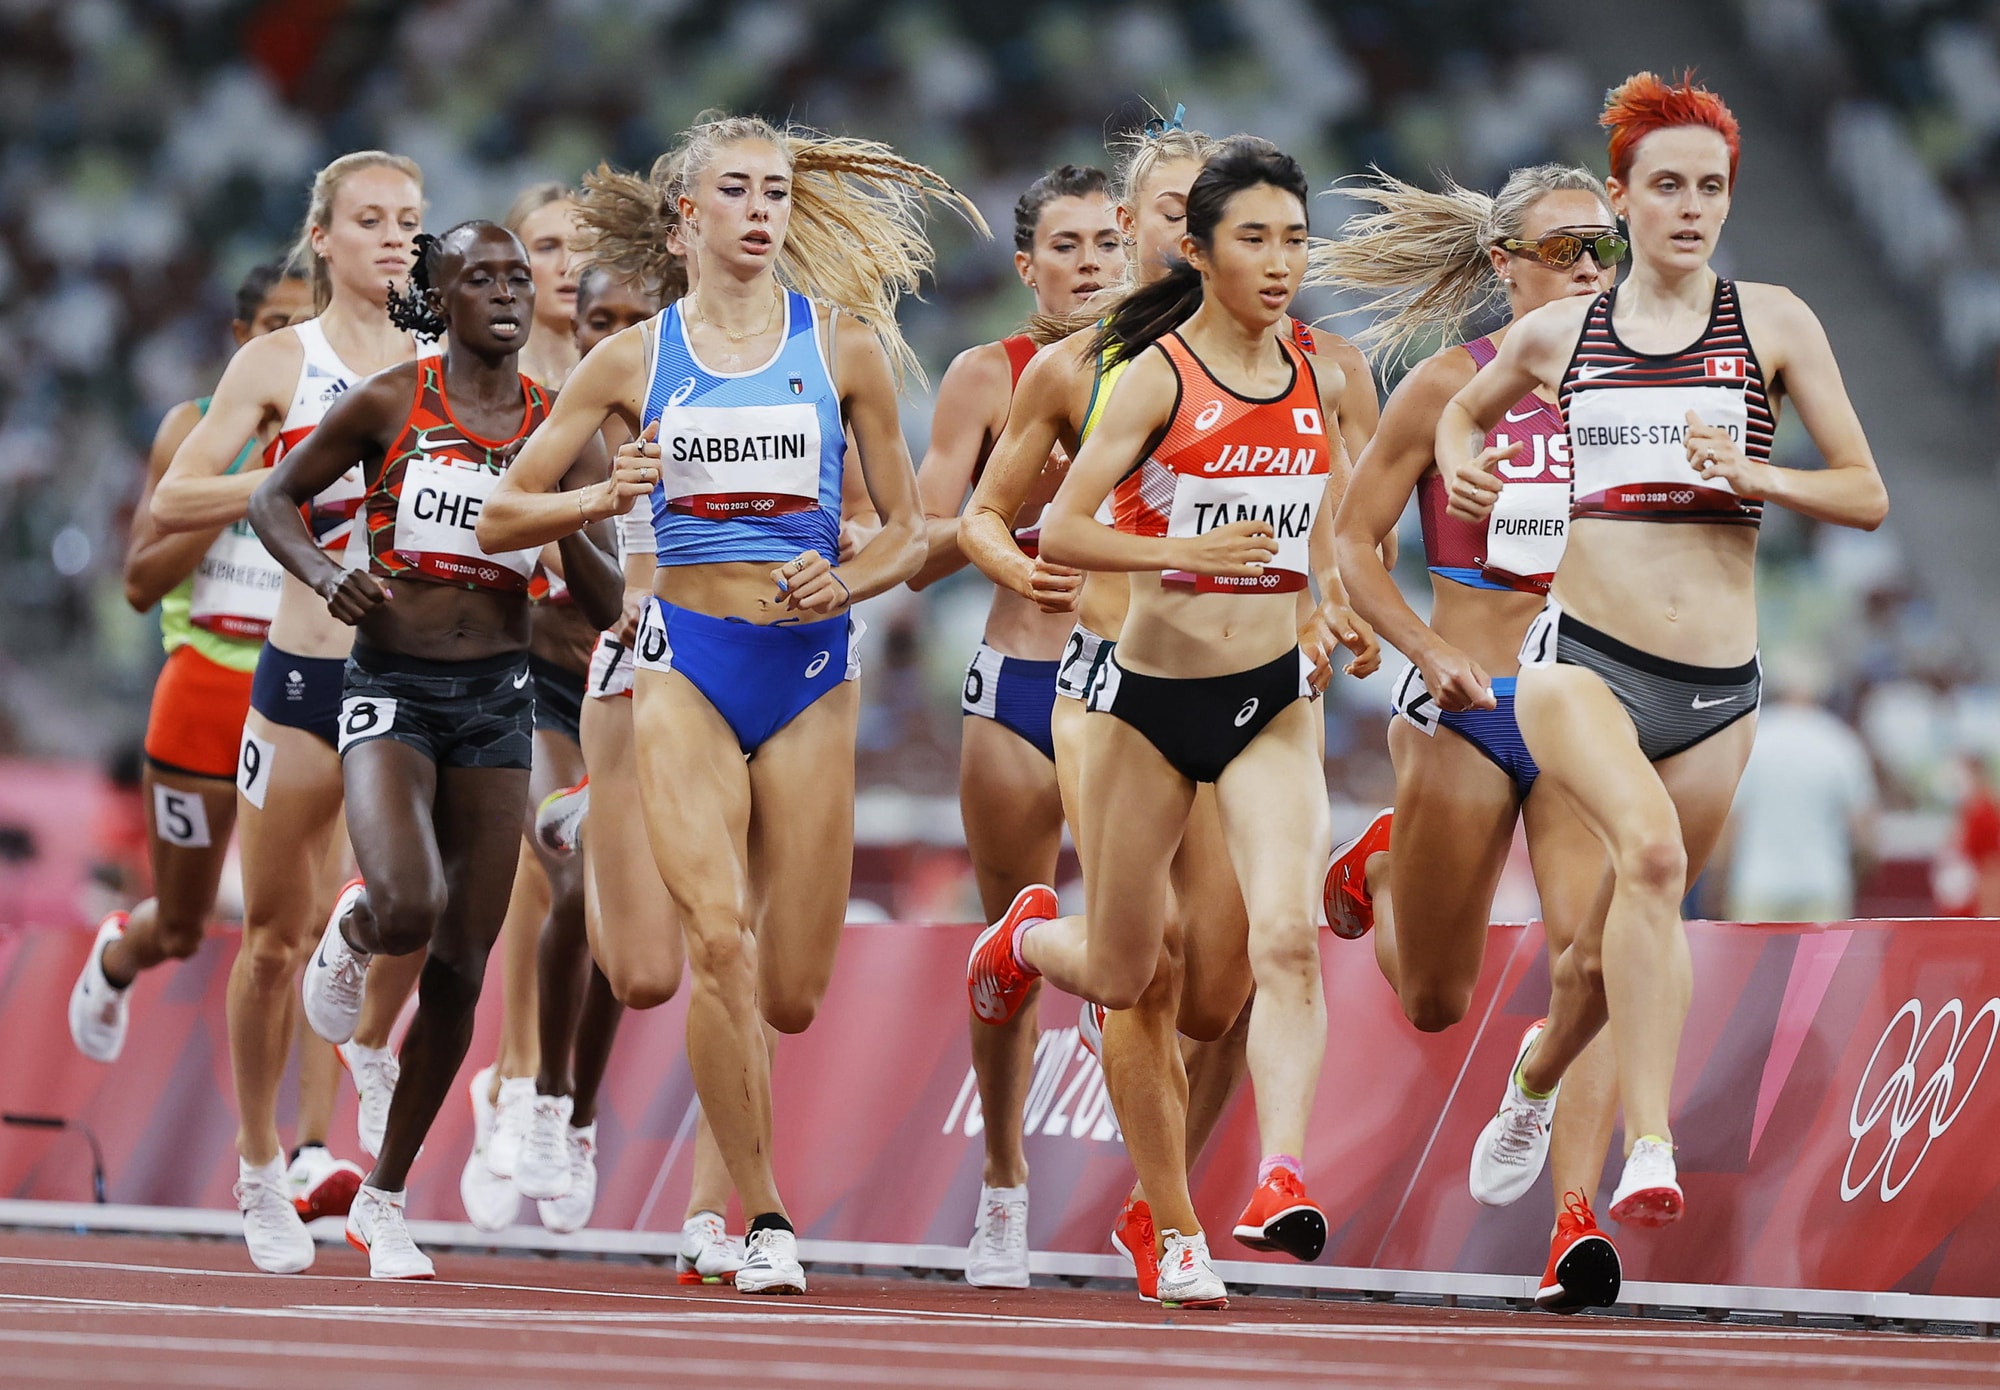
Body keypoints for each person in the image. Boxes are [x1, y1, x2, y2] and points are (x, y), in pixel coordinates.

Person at [475, 115, 977, 1295]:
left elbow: (907, 532)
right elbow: (502, 514)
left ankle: (592, 821)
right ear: (685, 220)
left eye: (776, 193)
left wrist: (848, 577)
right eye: (738, 192)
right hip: (682, 661)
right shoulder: (630, 359)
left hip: (806, 669)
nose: (761, 212)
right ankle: (757, 1215)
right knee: (707, 947)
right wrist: (603, 493)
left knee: (788, 991)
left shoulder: (842, 348)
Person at [1438, 72, 1888, 1230]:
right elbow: (1461, 409)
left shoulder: (1772, 322)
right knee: (1646, 859)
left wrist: (1755, 474)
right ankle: (1648, 1146)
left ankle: (1535, 1074)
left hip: (1716, 688)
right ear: (1620, 199)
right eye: (1667, 186)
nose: (1690, 208)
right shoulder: (1560, 332)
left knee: (1594, 957)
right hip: (1579, 660)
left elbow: (1864, 492)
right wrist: (1457, 461)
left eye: (1709, 188)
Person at [959, 116, 1376, 1300]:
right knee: (1135, 969)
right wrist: (1020, 564)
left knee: (1233, 976)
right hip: (1115, 688)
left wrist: (1336, 612)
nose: (1259, 250)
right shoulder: (1087, 366)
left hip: (1260, 689)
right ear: (1162, 230)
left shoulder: (1322, 365)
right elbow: (996, 516)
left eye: (1277, 231)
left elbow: (1345, 530)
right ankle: (1169, 1216)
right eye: (1183, 209)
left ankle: (1255, 1179)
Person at [250, 221, 622, 1278]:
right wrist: (329, 576)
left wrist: (555, 515)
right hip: (391, 688)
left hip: (498, 702)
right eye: (481, 279)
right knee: (409, 905)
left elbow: (606, 602)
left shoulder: (559, 428)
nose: (507, 295)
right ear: (442, 297)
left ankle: (385, 1197)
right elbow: (272, 500)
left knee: (461, 960)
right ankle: (357, 927)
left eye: (518, 280)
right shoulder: (389, 401)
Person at [1324, 164, 1629, 1312]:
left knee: (1589, 959)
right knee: (1433, 1000)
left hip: (1584, 702)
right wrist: (1418, 647)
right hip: (1464, 700)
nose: (1587, 269)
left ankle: (1572, 1221)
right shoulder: (1446, 385)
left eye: (1602, 249)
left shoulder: (1637, 392)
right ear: (1503, 264)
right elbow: (1352, 542)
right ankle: (1381, 870)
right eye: (1562, 250)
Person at [147, 151, 432, 1274]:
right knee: (271, 938)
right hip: (304, 677)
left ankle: (369, 1047)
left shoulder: (442, 360)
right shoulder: (280, 359)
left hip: (414, 676)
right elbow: (177, 494)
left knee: (419, 899)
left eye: (409, 221)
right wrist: (290, 478)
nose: (394, 238)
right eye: (370, 220)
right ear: (323, 237)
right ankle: (262, 1166)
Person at [73, 259, 365, 1220]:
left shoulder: (357, 422)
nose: (296, 346)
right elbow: (138, 584)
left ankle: (311, 1151)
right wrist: (255, 490)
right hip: (204, 686)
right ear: (245, 341)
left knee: (311, 928)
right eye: (277, 328)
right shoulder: (193, 429)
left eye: (307, 327)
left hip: (306, 687)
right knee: (186, 924)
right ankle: (123, 953)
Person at [905, 163, 1121, 1288]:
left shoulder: (1178, 370)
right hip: (1020, 682)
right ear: (1027, 265)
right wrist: (1006, 511)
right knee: (1008, 945)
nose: (1090, 265)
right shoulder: (986, 375)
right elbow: (919, 547)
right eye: (1066, 246)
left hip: (1131, 683)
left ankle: (1159, 1200)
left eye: (1106, 244)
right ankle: (1002, 1186)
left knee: (1156, 940)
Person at [1722, 654, 1878, 922]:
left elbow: (1732, 822)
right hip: (1823, 883)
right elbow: (1864, 832)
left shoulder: (1755, 739)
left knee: (1756, 952)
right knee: (1820, 953)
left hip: (1758, 884)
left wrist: (1719, 881)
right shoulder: (1840, 743)